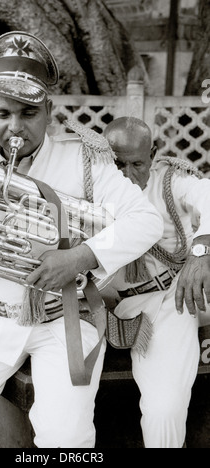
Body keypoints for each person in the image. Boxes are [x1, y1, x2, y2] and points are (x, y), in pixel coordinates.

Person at [0, 32, 163, 449]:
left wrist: (81, 257)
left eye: (29, 112)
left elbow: (146, 219)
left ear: (48, 110)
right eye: (2, 113)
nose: (14, 127)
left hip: (65, 321)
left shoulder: (84, 159)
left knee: (66, 438)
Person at [103, 116, 210, 448]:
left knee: (164, 407)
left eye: (137, 163)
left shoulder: (169, 180)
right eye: (117, 162)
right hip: (114, 304)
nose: (126, 173)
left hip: (170, 298)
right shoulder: (91, 183)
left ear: (154, 153)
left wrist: (202, 249)